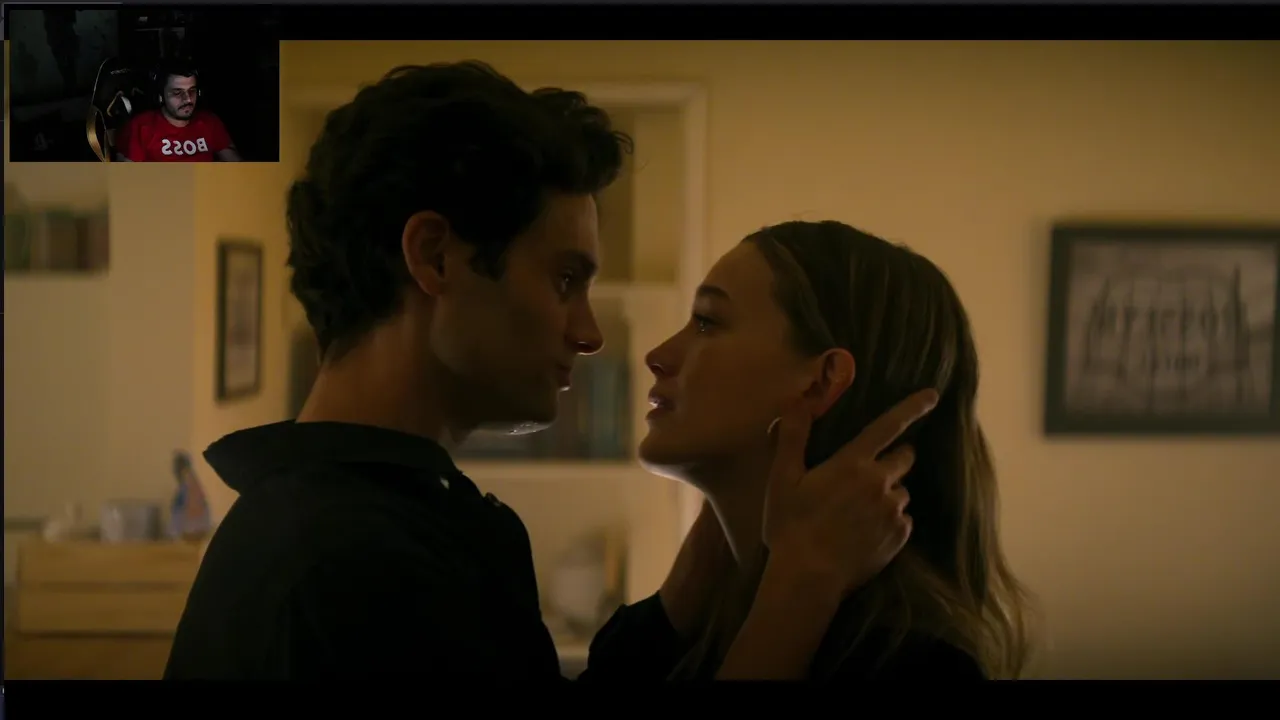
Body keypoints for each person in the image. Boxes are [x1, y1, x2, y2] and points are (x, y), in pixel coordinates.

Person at [163, 61, 932, 681]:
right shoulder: (345, 568)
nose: (591, 334)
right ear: (435, 258)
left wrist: (741, 497)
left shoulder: (376, 522)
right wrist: (802, 585)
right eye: (565, 279)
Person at [626, 221, 1034, 680]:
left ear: (821, 381)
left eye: (707, 322)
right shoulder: (719, 621)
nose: (657, 355)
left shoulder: (912, 665)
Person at [115, 59, 241, 162]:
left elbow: (238, 167)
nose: (187, 99)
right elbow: (127, 179)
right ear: (160, 96)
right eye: (177, 92)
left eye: (192, 91)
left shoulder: (209, 122)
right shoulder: (141, 126)